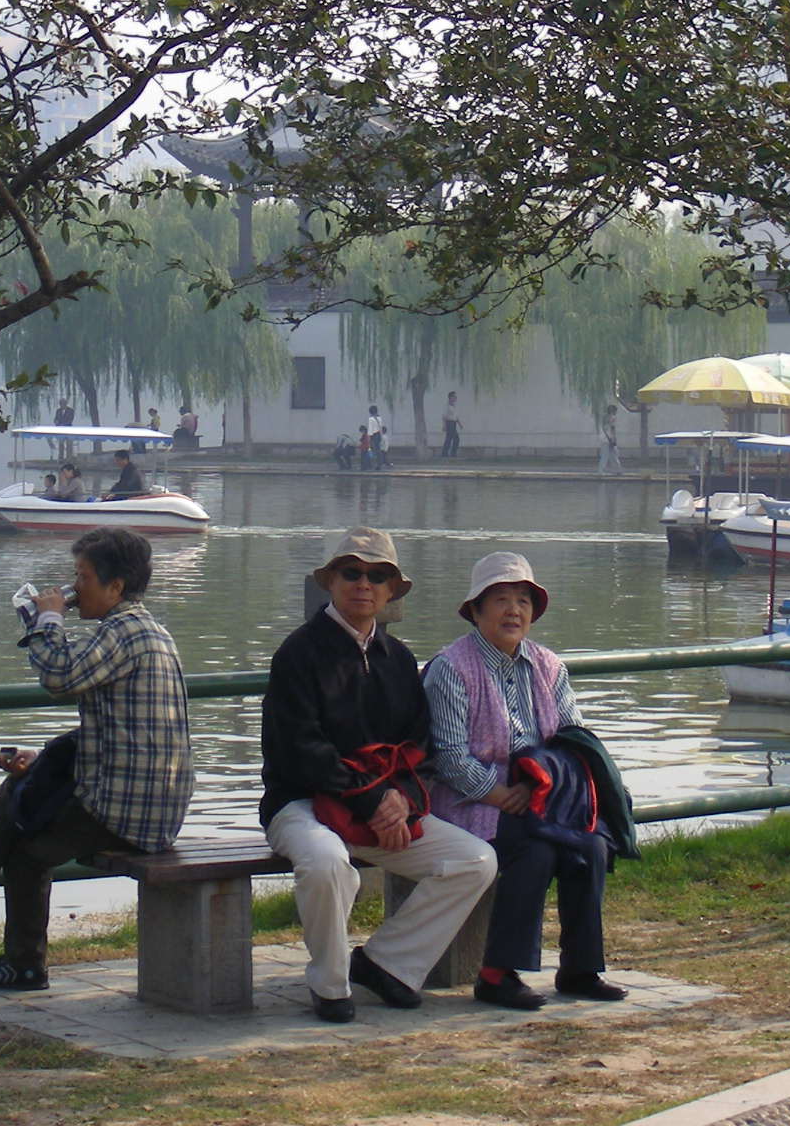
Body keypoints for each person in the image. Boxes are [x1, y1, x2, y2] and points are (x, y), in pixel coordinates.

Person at [0, 528, 193, 992]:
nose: (73, 587)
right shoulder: (141, 630)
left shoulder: (125, 633)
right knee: (20, 793)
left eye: (82, 577)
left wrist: (47, 618)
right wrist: (43, 758)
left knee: (26, 850)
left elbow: (59, 676)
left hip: (130, 810)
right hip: (147, 801)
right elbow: (121, 729)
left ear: (115, 587)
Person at [260, 527, 497, 1023]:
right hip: (301, 805)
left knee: (474, 861)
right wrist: (372, 800)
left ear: (391, 591)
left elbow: (418, 745)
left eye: (378, 576)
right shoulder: (298, 653)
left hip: (381, 809)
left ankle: (387, 963)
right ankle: (329, 984)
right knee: (326, 863)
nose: (364, 584)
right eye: (352, 572)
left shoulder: (399, 659)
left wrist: (402, 800)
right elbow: (300, 751)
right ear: (331, 582)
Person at [424, 551, 638, 1011]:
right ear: (476, 610)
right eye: (501, 599)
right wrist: (502, 793)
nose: (513, 610)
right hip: (471, 803)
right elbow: (448, 757)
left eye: (523, 600)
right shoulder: (450, 668)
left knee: (590, 846)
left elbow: (573, 738)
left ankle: (580, 969)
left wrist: (540, 786)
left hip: (541, 799)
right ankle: (497, 974)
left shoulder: (549, 666)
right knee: (535, 851)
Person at [597, 404, 623, 475]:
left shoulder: (605, 417)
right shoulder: (611, 418)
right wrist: (612, 440)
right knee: (608, 455)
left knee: (611, 455)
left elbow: (605, 429)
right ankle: (602, 471)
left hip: (605, 439)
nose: (616, 412)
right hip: (608, 440)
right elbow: (611, 430)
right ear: (612, 411)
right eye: (615, 411)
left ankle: (618, 470)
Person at [441, 392, 462, 459]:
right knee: (455, 438)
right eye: (454, 397)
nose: (455, 398)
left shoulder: (454, 406)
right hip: (449, 423)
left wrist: (460, 424)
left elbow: (456, 417)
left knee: (450, 439)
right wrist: (444, 425)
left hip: (454, 423)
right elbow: (444, 417)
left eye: (456, 397)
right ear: (450, 397)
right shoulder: (447, 406)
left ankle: (447, 453)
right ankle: (449, 453)